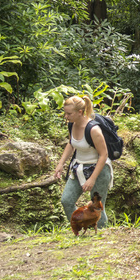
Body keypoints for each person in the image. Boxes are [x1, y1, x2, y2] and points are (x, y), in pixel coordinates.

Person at [52, 95, 114, 231]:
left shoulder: (93, 129)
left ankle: (101, 235)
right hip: (78, 167)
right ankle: (79, 227)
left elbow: (104, 155)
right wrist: (61, 163)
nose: (66, 116)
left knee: (97, 206)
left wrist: (92, 179)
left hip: (99, 169)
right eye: (65, 113)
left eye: (69, 113)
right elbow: (71, 144)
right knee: (66, 200)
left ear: (80, 112)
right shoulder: (71, 125)